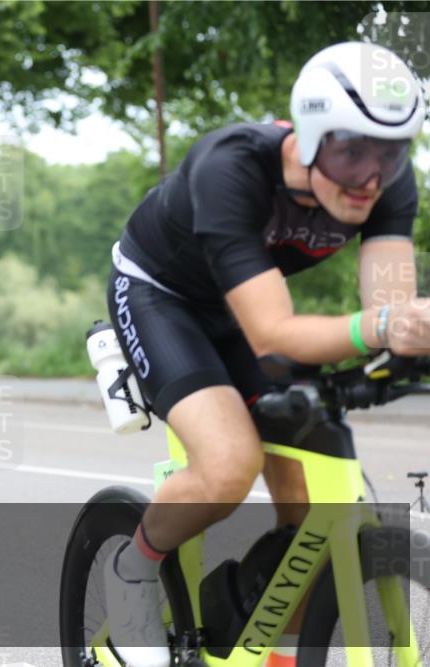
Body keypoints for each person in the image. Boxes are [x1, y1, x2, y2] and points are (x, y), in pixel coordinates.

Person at [102, 42, 430, 667]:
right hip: (162, 296)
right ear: (307, 137)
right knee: (228, 466)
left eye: (390, 153)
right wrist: (389, 323)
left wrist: (407, 336)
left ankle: (254, 632)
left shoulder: (386, 182)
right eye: (349, 149)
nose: (369, 177)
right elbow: (277, 335)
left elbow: (390, 320)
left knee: (320, 481)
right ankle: (131, 570)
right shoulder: (230, 168)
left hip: (247, 304)